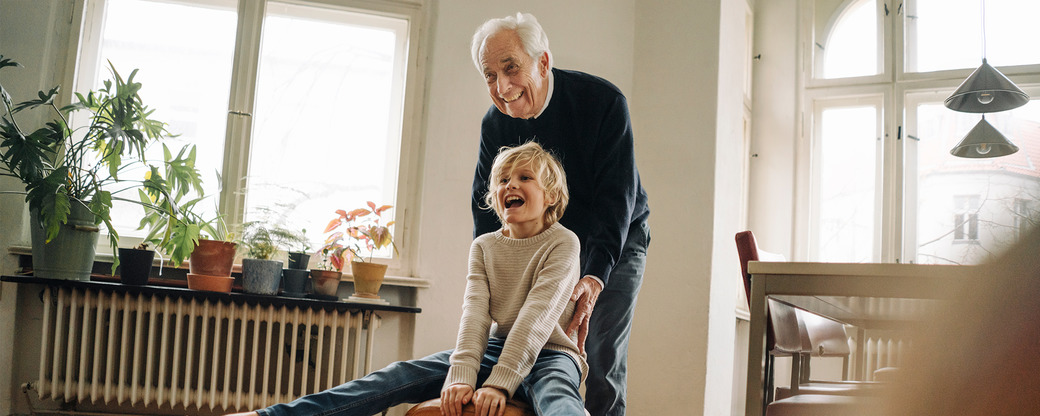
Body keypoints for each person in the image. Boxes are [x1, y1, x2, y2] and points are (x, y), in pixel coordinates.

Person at [231, 141, 586, 416]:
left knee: (559, 403)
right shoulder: (484, 247)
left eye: (525, 178)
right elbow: (475, 315)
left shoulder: (563, 242)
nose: (512, 184)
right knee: (396, 375)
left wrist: (500, 385)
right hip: (497, 348)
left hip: (552, 355)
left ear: (550, 195)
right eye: (504, 180)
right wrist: (462, 374)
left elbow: (536, 319)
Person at [470, 12, 650, 416]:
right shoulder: (494, 125)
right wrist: (489, 273)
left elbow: (615, 200)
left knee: (602, 361)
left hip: (614, 240)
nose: (502, 87)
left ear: (543, 62)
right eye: (490, 75)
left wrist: (593, 277)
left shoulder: (603, 102)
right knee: (530, 350)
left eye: (511, 67)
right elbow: (487, 210)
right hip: (538, 246)